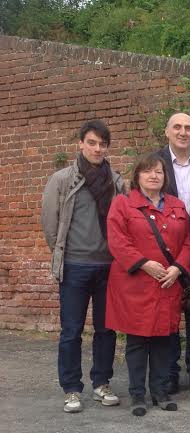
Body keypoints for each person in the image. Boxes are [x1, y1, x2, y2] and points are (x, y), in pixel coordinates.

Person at [41, 119, 125, 413]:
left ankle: (102, 383)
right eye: (92, 142)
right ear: (80, 144)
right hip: (75, 266)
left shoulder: (116, 182)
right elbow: (50, 224)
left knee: (106, 329)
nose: (97, 148)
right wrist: (63, 254)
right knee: (71, 330)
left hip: (108, 267)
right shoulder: (63, 179)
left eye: (102, 144)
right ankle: (72, 389)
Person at [105, 154, 190, 416]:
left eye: (159, 172)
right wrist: (144, 263)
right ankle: (137, 395)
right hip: (137, 284)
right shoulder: (122, 204)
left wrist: (177, 268)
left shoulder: (177, 205)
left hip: (168, 283)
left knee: (164, 341)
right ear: (138, 176)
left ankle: (160, 391)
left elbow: (189, 242)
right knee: (137, 341)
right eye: (148, 172)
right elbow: (117, 241)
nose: (154, 176)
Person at [155, 112, 190, 395]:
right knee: (168, 313)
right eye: (177, 127)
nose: (182, 132)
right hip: (166, 248)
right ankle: (169, 372)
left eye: (188, 128)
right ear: (167, 132)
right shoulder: (154, 164)